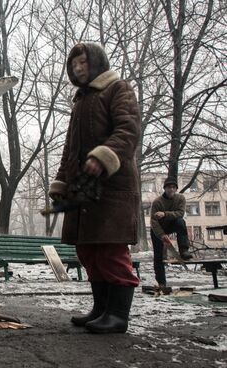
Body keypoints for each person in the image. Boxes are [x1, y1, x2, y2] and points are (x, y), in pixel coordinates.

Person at [48, 43, 141, 334]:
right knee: (88, 251)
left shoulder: (118, 89)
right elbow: (70, 150)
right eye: (73, 64)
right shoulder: (80, 102)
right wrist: (62, 183)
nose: (78, 68)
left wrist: (103, 156)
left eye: (83, 62)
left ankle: (118, 316)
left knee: (111, 250)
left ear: (97, 63)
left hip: (112, 188)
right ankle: (101, 309)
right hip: (82, 191)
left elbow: (128, 129)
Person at [150, 176, 192, 289]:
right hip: (158, 228)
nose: (171, 190)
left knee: (181, 222)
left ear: (176, 189)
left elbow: (180, 213)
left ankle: (184, 250)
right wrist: (162, 235)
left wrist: (165, 214)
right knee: (158, 256)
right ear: (165, 188)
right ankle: (161, 282)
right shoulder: (157, 202)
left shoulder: (180, 199)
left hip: (172, 224)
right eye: (169, 187)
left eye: (173, 187)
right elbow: (153, 221)